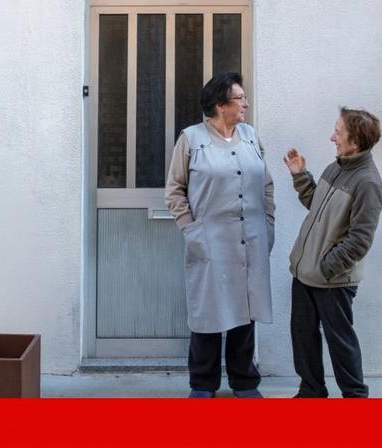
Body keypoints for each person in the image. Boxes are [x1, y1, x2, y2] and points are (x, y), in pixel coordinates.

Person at [165, 72, 274, 399]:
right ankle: (203, 383)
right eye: (240, 98)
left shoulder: (251, 136)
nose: (246, 104)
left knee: (245, 313)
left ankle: (244, 381)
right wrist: (192, 229)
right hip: (210, 241)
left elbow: (266, 185)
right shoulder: (191, 139)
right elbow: (174, 191)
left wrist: (268, 225)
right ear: (219, 105)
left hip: (251, 239)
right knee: (207, 314)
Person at [283, 107, 382, 398]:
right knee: (303, 337)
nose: (332, 137)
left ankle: (355, 396)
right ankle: (311, 392)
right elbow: (318, 207)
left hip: (333, 279)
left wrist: (327, 267)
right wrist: (300, 176)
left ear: (355, 141)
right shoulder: (336, 167)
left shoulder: (368, 183)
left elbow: (361, 238)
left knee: (340, 342)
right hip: (305, 274)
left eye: (338, 132)